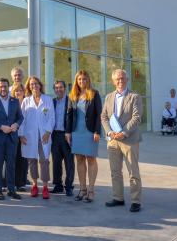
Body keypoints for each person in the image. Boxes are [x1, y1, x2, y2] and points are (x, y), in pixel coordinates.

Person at [102, 69, 143, 213]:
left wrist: (124, 132)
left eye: (123, 78)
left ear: (127, 79)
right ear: (113, 81)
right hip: (113, 140)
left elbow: (137, 117)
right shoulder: (108, 97)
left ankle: (136, 200)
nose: (120, 81)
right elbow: (104, 117)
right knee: (115, 171)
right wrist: (109, 131)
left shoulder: (135, 96)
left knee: (133, 171)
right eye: (117, 79)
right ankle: (118, 197)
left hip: (129, 139)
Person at [65, 71, 102, 203]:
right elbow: (69, 115)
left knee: (91, 159)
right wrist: (67, 132)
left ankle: (91, 190)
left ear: (88, 80)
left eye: (84, 79)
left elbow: (99, 114)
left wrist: (97, 131)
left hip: (90, 132)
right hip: (76, 132)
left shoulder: (94, 94)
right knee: (79, 160)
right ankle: (82, 189)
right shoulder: (72, 95)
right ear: (76, 81)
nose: (82, 81)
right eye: (79, 79)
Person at [0, 78, 24, 200]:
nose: (3, 89)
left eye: (5, 86)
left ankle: (11, 190)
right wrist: (1, 127)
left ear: (9, 87)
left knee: (11, 165)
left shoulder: (15, 101)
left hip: (12, 139)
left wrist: (16, 125)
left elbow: (20, 117)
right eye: (1, 86)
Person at [19, 76, 55, 199]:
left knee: (44, 160)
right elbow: (21, 119)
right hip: (30, 135)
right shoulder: (26, 101)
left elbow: (52, 117)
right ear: (29, 87)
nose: (34, 86)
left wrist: (48, 132)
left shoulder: (47, 100)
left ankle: (45, 187)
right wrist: (21, 134)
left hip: (44, 135)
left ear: (40, 85)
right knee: (32, 160)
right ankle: (35, 185)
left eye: (36, 84)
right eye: (31, 84)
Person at [51, 80, 75, 197]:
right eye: (56, 88)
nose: (58, 89)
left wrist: (70, 132)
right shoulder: (52, 102)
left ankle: (69, 186)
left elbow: (73, 119)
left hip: (67, 135)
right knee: (56, 161)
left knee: (69, 162)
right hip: (55, 135)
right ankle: (58, 185)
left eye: (60, 87)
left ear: (64, 88)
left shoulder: (71, 101)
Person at [11, 82, 29, 192]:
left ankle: (21, 183)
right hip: (13, 135)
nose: (18, 92)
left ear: (24, 92)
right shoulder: (11, 103)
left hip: (25, 136)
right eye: (16, 91)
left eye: (20, 90)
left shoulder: (27, 103)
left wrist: (23, 134)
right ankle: (11, 182)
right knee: (12, 159)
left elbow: (27, 121)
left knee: (23, 159)